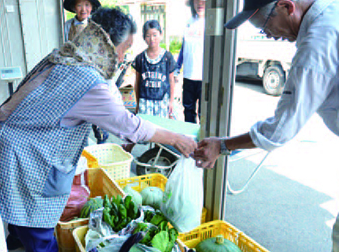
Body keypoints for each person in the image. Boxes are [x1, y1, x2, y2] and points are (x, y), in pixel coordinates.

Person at [0, 8, 197, 252]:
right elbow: (128, 125)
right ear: (109, 46)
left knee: (20, 221)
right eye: (125, 48)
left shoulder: (69, 56)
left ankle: (17, 243)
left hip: (0, 147)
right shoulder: (89, 82)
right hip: (19, 159)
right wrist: (176, 138)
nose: (125, 56)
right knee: (40, 235)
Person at [192, 0, 339, 250]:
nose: (268, 35)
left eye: (265, 25)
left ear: (287, 6)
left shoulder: (315, 46)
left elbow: (279, 130)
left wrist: (222, 145)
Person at [122, 20, 177, 153]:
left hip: (161, 102)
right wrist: (136, 102)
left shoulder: (167, 57)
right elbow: (137, 82)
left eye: (155, 34)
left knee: (160, 132)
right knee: (140, 128)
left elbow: (171, 81)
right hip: (145, 101)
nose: (151, 39)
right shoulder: (140, 58)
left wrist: (171, 102)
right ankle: (125, 151)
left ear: (161, 35)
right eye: (148, 35)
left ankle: (156, 155)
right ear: (143, 37)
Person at [63, 0, 110, 144]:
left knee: (97, 110)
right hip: (75, 75)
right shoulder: (67, 26)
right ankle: (79, 144)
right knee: (78, 110)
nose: (83, 9)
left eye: (87, 5)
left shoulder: (97, 25)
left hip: (94, 73)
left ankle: (101, 140)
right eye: (79, 5)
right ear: (73, 7)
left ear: (92, 7)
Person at [174, 0, 206, 123]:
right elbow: (184, 47)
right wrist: (177, 69)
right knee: (188, 110)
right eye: (197, 1)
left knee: (203, 113)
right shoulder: (188, 22)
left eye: (204, 1)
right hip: (188, 76)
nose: (200, 3)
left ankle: (203, 140)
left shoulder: (210, 23)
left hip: (204, 78)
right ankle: (190, 140)